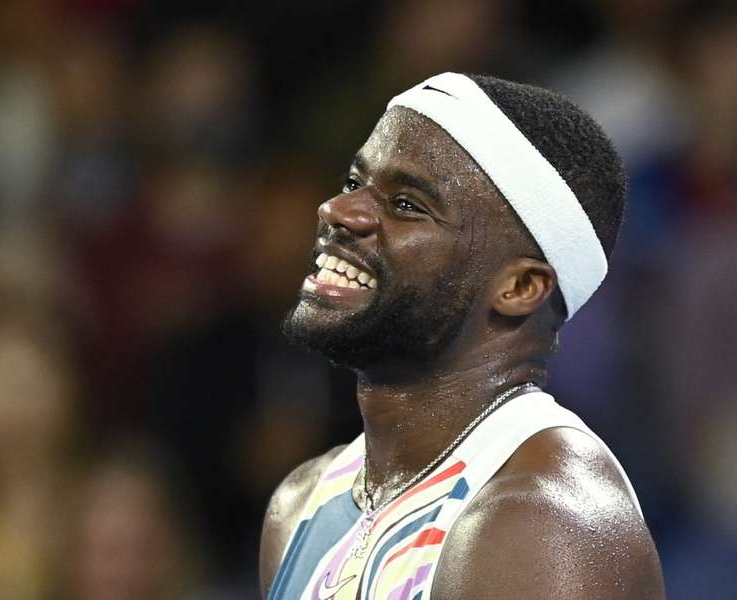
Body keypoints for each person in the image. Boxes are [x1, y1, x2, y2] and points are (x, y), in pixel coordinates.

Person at [260, 73, 665, 599]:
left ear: (520, 287)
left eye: (406, 204)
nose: (339, 211)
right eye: (355, 182)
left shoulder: (543, 521)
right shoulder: (301, 503)